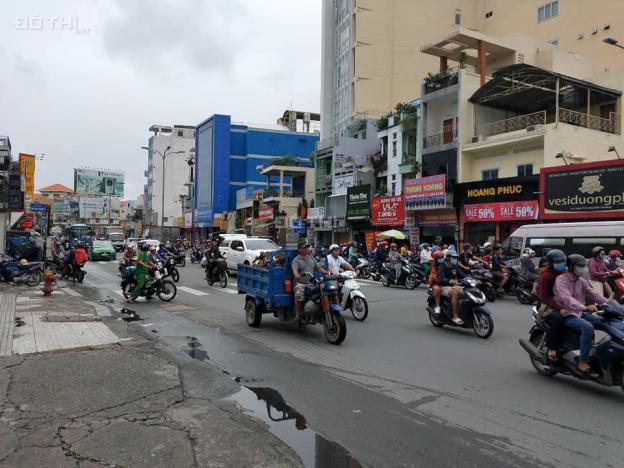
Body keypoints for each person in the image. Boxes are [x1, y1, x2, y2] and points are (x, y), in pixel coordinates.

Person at [554, 253, 608, 378]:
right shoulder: (561, 280)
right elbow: (567, 299)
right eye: (580, 266)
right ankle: (582, 362)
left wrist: (611, 304)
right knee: (587, 327)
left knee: (606, 323)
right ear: (572, 267)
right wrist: (585, 307)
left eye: (584, 266)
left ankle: (600, 354)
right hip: (567, 314)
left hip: (579, 313)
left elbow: (594, 294)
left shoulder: (581, 280)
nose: (583, 268)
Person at [537, 249, 568, 362]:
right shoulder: (546, 276)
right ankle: (552, 347)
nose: (561, 263)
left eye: (562, 261)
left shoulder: (565, 273)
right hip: (549, 305)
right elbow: (543, 297)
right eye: (558, 261)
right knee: (557, 318)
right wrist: (559, 308)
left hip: (566, 303)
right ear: (550, 263)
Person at [292, 240, 328, 323]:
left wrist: (327, 272)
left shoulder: (311, 258)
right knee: (299, 292)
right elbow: (295, 271)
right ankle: (298, 315)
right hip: (301, 282)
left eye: (307, 247)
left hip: (311, 282)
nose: (306, 249)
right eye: (304, 248)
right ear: (299, 249)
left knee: (323, 289)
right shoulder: (296, 260)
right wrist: (297, 275)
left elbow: (318, 268)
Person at [437, 250, 465, 325]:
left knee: (467, 291)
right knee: (454, 292)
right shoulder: (441, 266)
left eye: (456, 257)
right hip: (443, 286)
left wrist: (472, 279)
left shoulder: (455, 266)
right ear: (448, 257)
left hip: (454, 286)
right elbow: (441, 278)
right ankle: (455, 316)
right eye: (454, 257)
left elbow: (463, 275)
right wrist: (450, 281)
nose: (456, 259)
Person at [428, 250, 445, 315]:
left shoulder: (445, 264)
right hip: (435, 283)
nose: (442, 259)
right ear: (436, 259)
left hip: (444, 282)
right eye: (440, 258)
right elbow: (436, 277)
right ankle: (437, 306)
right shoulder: (433, 266)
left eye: (442, 257)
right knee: (437, 289)